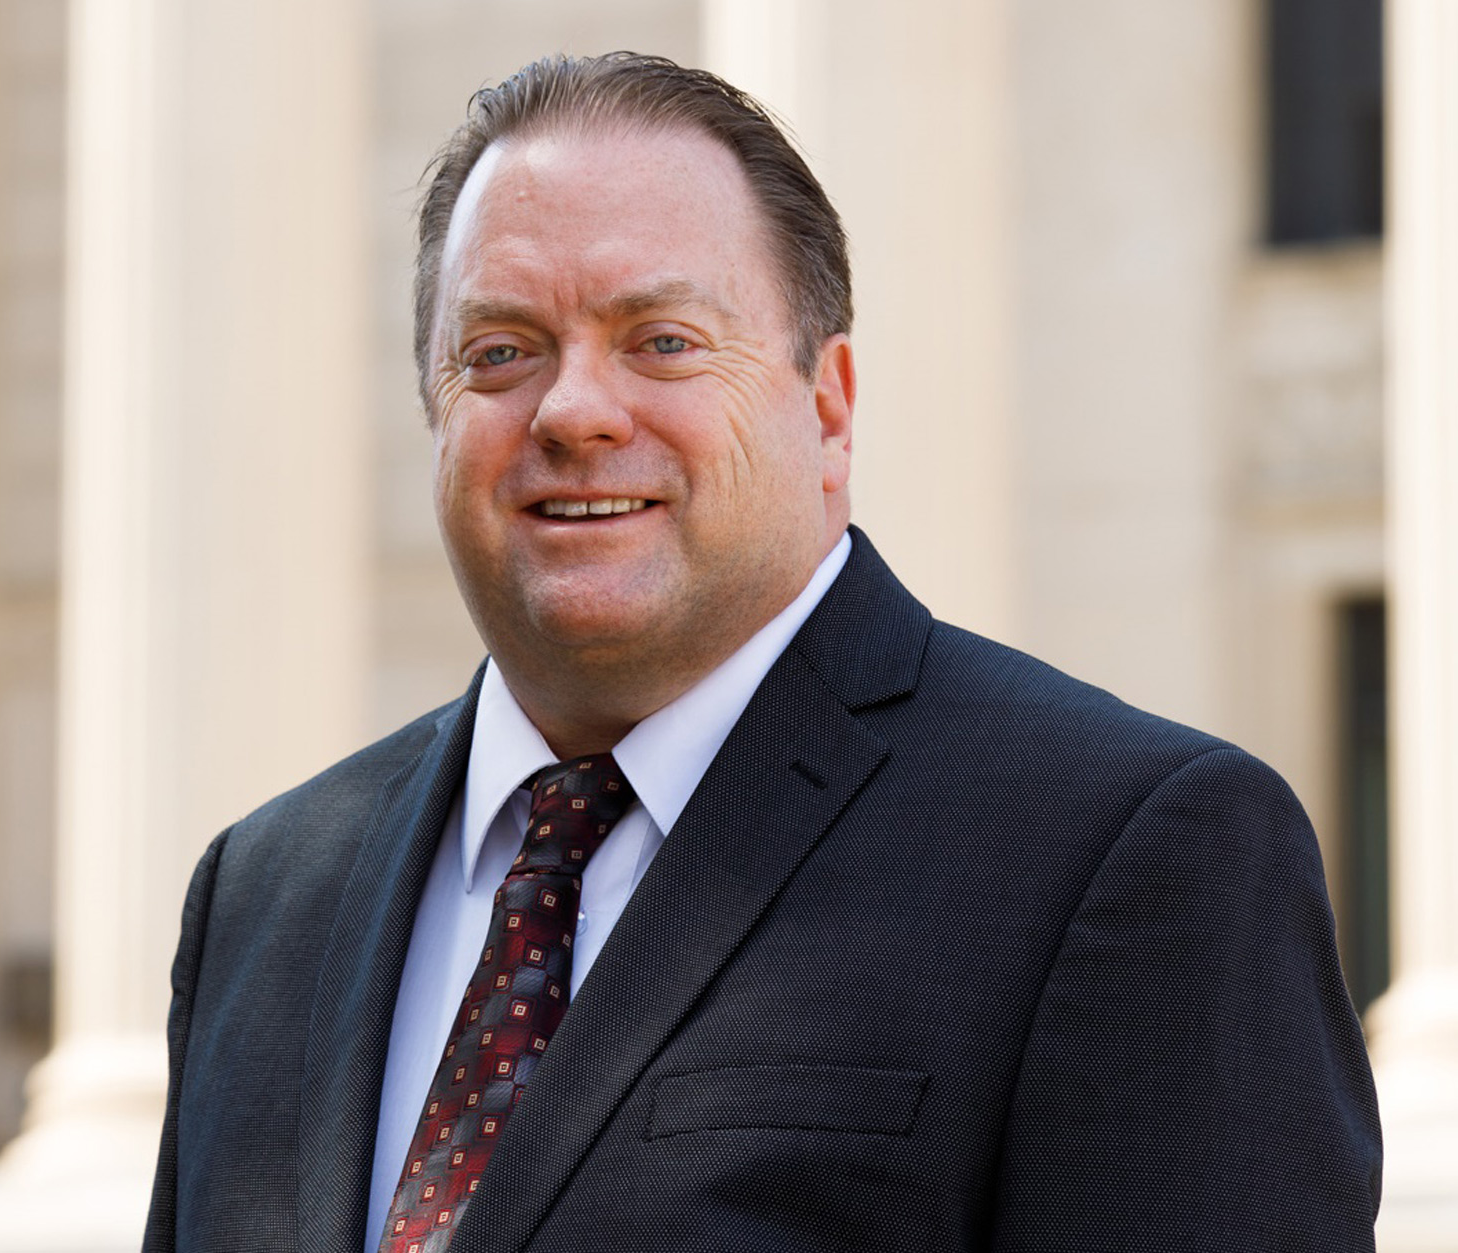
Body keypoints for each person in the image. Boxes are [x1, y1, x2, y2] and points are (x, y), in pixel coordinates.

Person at [143, 52, 1378, 1253]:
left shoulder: (1132, 852)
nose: (574, 410)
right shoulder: (260, 895)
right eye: (502, 351)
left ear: (828, 406)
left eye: (663, 339)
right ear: (435, 409)